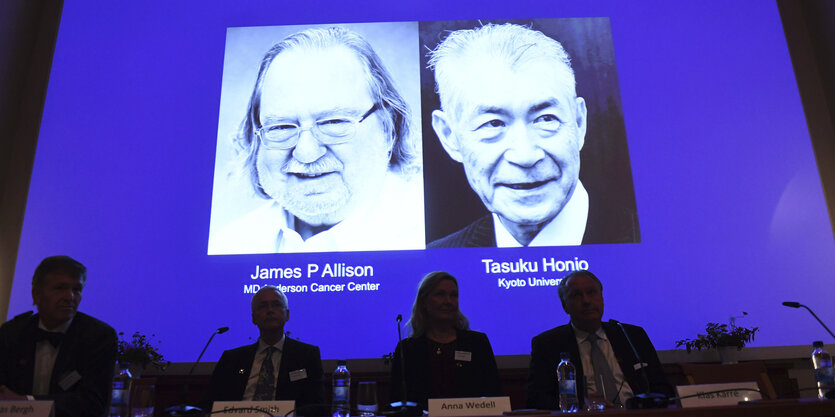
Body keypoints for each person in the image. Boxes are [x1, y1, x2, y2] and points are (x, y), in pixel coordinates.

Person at [209, 26, 424, 254]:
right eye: (281, 127)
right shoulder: (226, 246)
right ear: (256, 137)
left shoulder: (430, 235)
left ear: (389, 128)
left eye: (334, 122)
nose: (306, 152)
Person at [425, 23, 637, 248]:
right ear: (449, 136)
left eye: (546, 119)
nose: (525, 156)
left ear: (578, 122)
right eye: (493, 124)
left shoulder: (652, 240)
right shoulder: (437, 257)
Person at [525, 270, 672, 410]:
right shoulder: (548, 344)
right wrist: (582, 407)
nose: (586, 301)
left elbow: (662, 387)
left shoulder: (631, 335)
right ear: (565, 306)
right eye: (576, 295)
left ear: (602, 297)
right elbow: (536, 398)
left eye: (591, 292)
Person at [0, 256, 117, 417]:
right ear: (36, 294)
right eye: (60, 288)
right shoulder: (12, 333)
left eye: (77, 289)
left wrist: (27, 403)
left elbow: (93, 402)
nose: (70, 297)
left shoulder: (98, 336)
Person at [389, 271, 502, 411]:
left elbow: (494, 394)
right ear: (424, 301)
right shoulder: (407, 349)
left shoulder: (477, 343)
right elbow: (396, 401)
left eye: (453, 295)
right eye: (440, 294)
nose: (448, 301)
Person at [204, 285, 324, 415]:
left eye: (276, 304)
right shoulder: (231, 359)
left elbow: (316, 406)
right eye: (262, 306)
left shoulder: (307, 355)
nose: (270, 310)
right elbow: (210, 403)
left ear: (287, 315)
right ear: (253, 318)